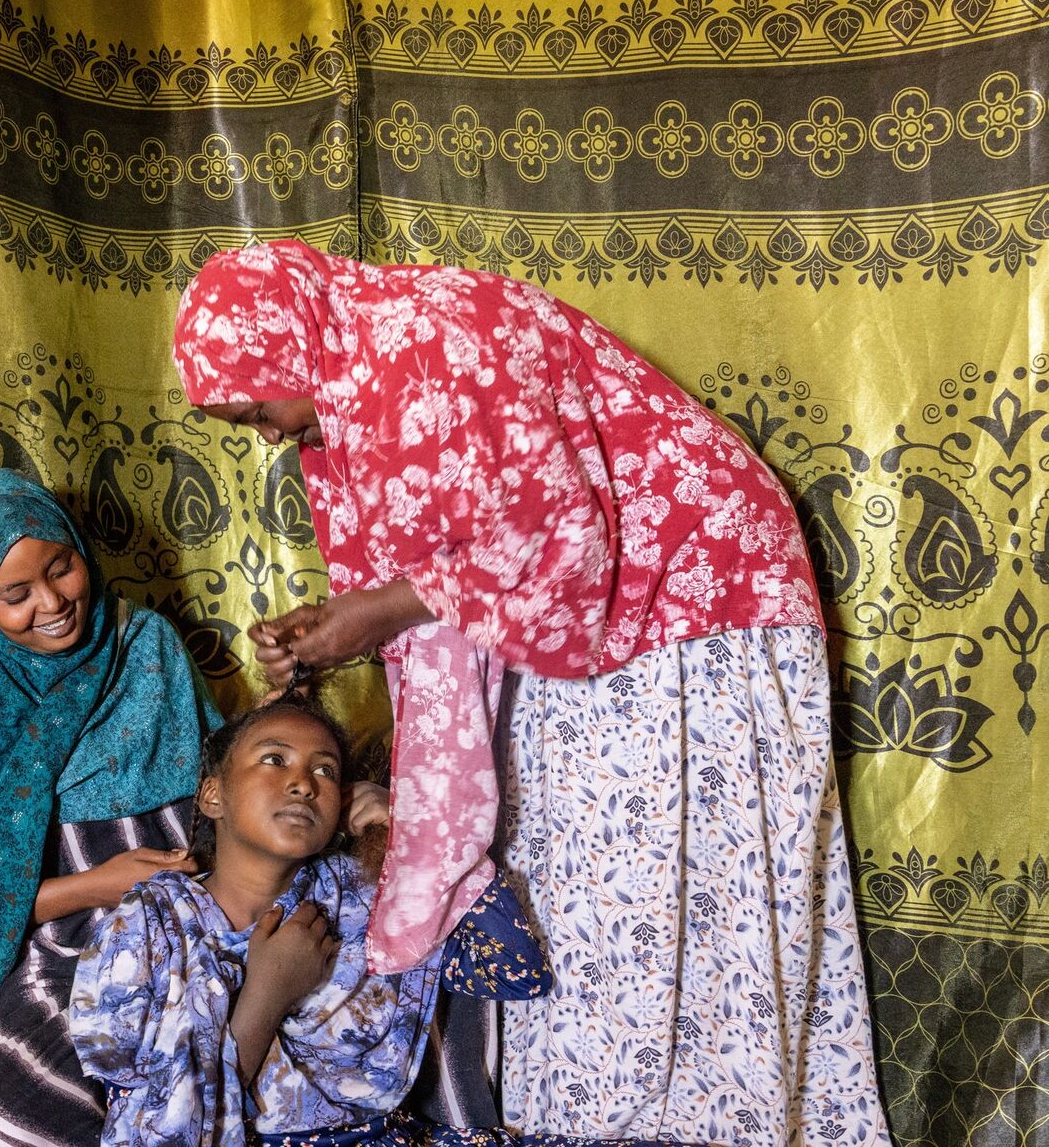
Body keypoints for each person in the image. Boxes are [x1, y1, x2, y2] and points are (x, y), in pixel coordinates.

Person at [172, 241, 891, 1147]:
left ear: (292, 342)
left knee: (671, 889)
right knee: (582, 888)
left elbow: (556, 534)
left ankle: (702, 1126)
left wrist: (377, 611)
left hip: (689, 597)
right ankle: (596, 1122)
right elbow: (440, 559)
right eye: (247, 426)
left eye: (260, 409)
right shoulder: (355, 385)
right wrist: (339, 624)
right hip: (588, 622)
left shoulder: (425, 339)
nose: (270, 434)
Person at [70, 696, 655, 1147]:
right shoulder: (148, 926)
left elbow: (516, 971)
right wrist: (268, 994)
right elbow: (149, 1127)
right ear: (212, 795)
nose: (303, 782)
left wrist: (410, 841)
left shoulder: (362, 897)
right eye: (274, 760)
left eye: (326, 772)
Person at [0, 469, 219, 1147]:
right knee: (15, 1107)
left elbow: (221, 780)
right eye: (15, 594)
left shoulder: (144, 645)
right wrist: (102, 885)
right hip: (57, 953)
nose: (54, 602)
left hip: (199, 908)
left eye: (61, 568)